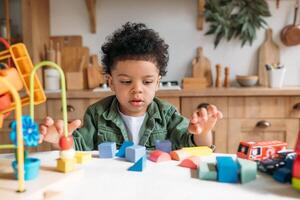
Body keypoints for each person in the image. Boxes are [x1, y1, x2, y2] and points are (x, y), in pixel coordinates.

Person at [39, 22, 223, 151]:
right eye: (126, 82)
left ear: (158, 82)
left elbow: (196, 146)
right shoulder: (96, 114)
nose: (137, 89)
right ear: (111, 82)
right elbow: (78, 147)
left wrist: (204, 133)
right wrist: (59, 140)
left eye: (148, 81)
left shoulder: (167, 115)